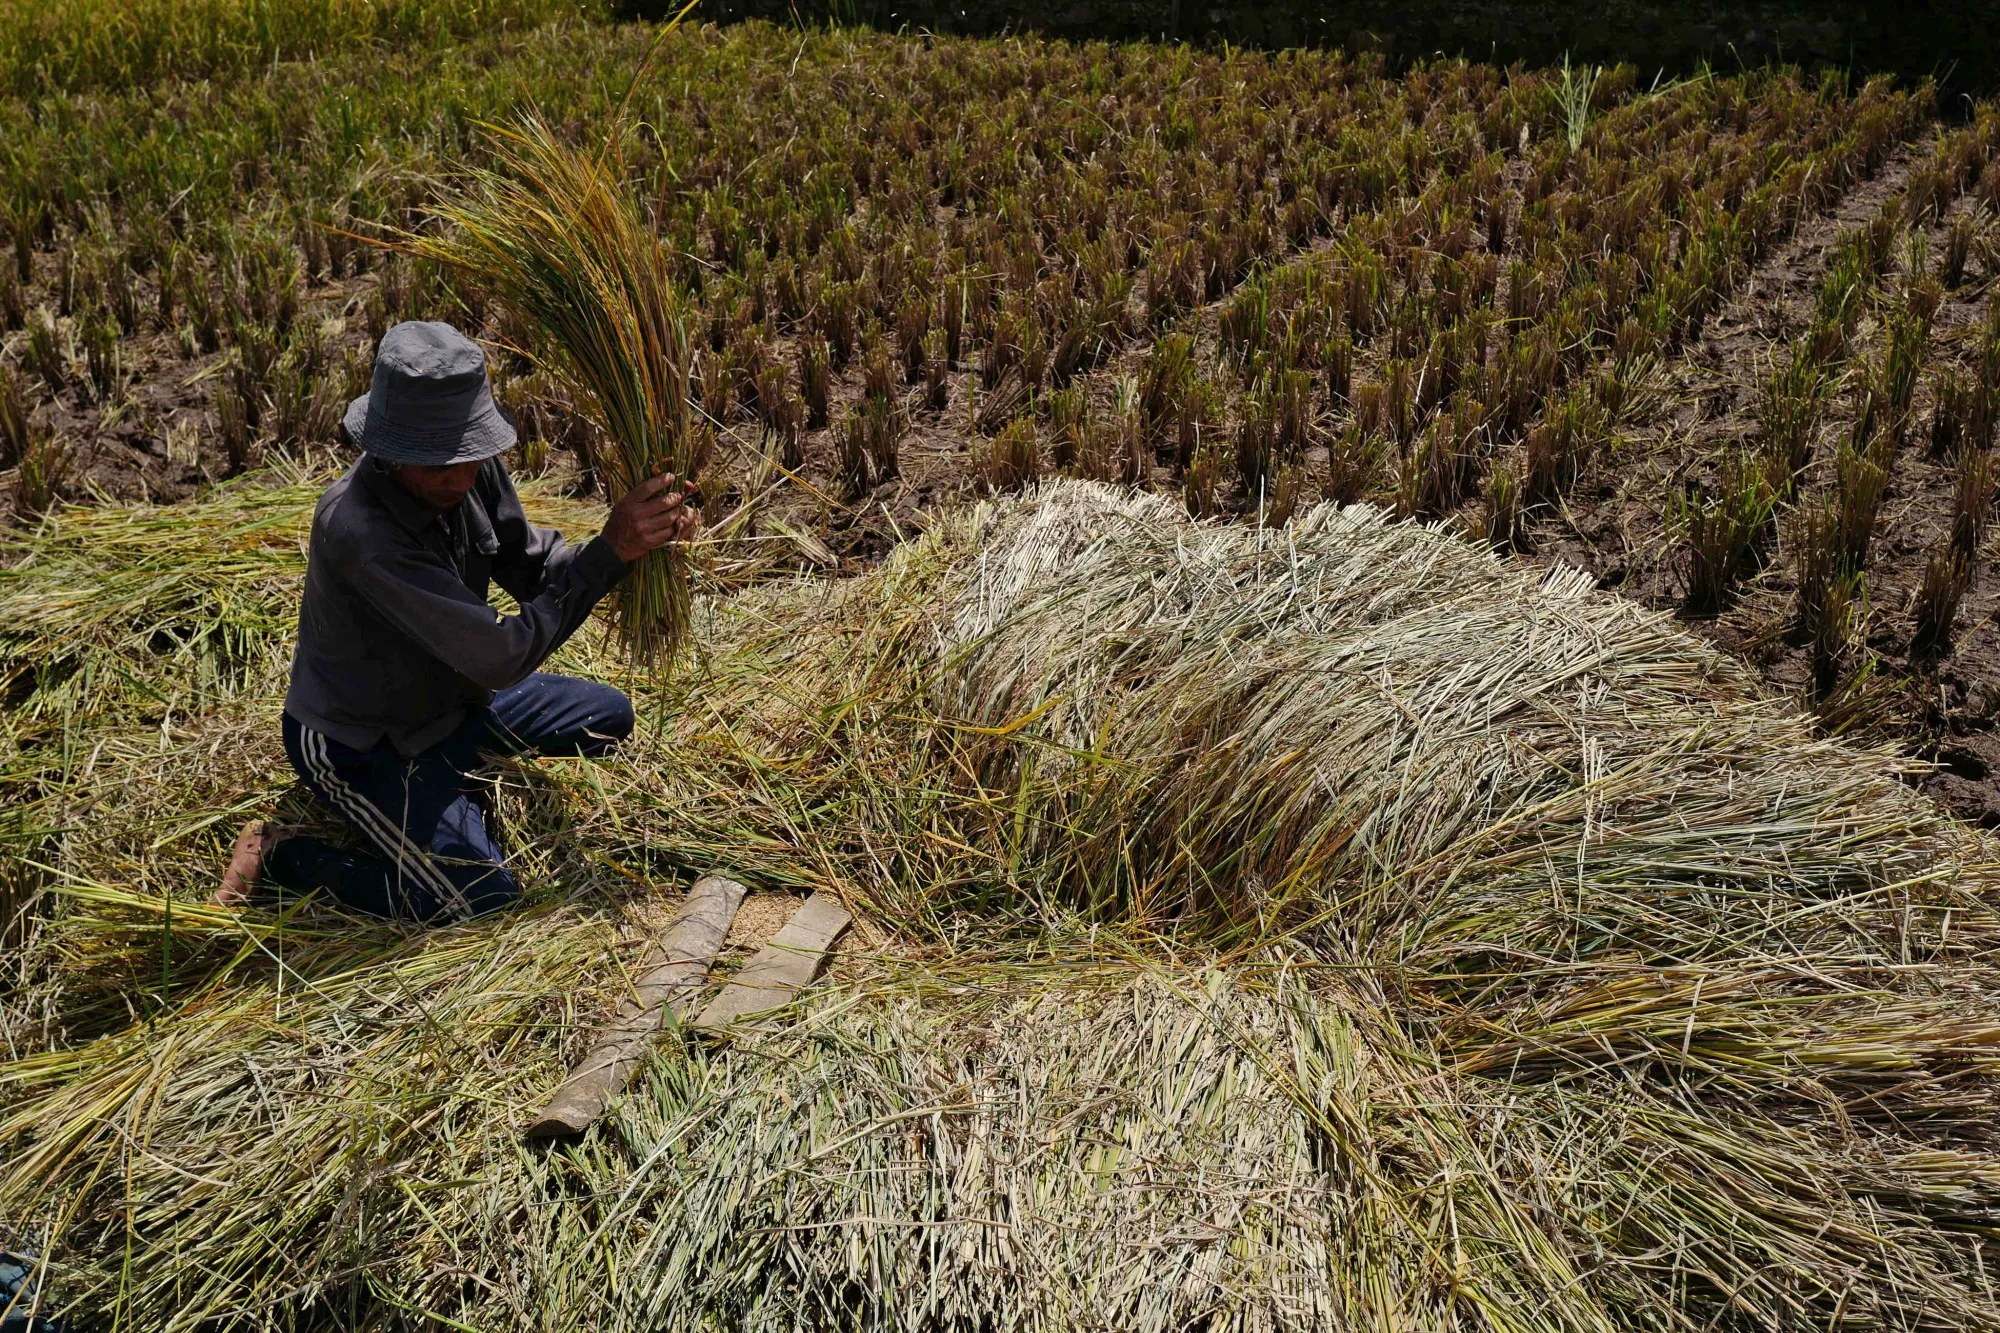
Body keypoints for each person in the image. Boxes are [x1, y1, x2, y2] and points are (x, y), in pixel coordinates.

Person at [217, 321, 698, 922]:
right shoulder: (359, 531)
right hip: (363, 744)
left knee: (608, 717)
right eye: (438, 462)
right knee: (482, 899)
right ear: (388, 450)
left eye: (469, 455)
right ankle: (286, 858)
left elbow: (533, 570)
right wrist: (607, 554)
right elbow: (500, 658)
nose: (458, 476)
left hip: (453, 706)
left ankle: (445, 779)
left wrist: (635, 542)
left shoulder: (470, 468)